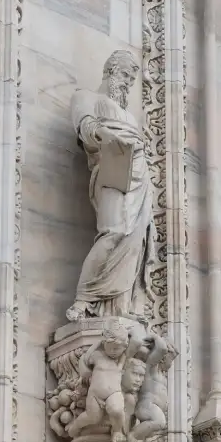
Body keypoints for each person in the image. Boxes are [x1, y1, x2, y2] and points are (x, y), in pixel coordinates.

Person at [67, 51, 154, 322]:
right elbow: (85, 126)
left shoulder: (129, 115)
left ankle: (119, 307)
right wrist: (104, 134)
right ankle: (83, 301)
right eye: (125, 74)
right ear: (110, 70)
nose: (128, 82)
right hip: (110, 168)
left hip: (139, 175)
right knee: (113, 233)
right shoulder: (87, 97)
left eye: (132, 78)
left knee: (135, 238)